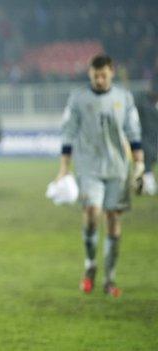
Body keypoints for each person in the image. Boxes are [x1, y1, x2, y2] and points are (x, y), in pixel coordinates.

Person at [55, 54, 144, 297]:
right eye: (96, 76)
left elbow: (133, 131)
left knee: (113, 218)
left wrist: (139, 163)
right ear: (89, 74)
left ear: (111, 73)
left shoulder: (123, 98)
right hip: (89, 167)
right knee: (92, 213)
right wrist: (64, 168)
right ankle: (90, 265)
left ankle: (110, 279)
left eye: (104, 75)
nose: (100, 80)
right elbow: (68, 133)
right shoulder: (78, 98)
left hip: (117, 168)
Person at [134, 75, 158, 195]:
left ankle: (145, 184)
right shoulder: (143, 105)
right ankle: (146, 186)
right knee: (146, 165)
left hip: (153, 140)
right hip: (146, 141)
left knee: (148, 164)